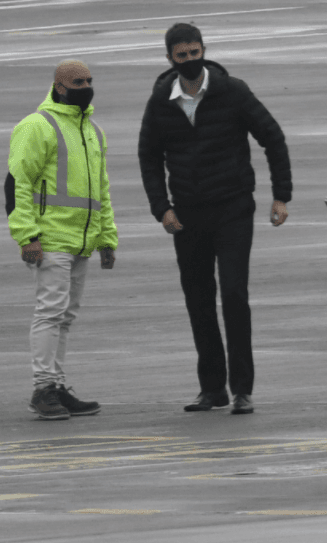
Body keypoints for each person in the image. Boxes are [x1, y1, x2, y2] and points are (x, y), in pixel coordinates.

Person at [138, 23, 292, 416]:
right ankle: (212, 389)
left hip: (232, 208)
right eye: (182, 55)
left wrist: (281, 196)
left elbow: (273, 137)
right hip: (187, 214)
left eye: (195, 52)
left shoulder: (232, 91)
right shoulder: (161, 101)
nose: (190, 60)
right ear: (170, 58)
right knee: (198, 299)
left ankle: (242, 389)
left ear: (204, 50)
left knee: (234, 293)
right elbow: (148, 158)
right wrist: (162, 207)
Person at [6, 59, 118, 420]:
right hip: (50, 238)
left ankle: (55, 384)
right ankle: (43, 388)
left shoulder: (93, 131)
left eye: (89, 81)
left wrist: (106, 238)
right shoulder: (37, 125)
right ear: (59, 86)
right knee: (51, 313)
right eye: (77, 82)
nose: (85, 87)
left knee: (65, 316)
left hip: (81, 240)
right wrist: (27, 236)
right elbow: (17, 184)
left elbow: (101, 190)